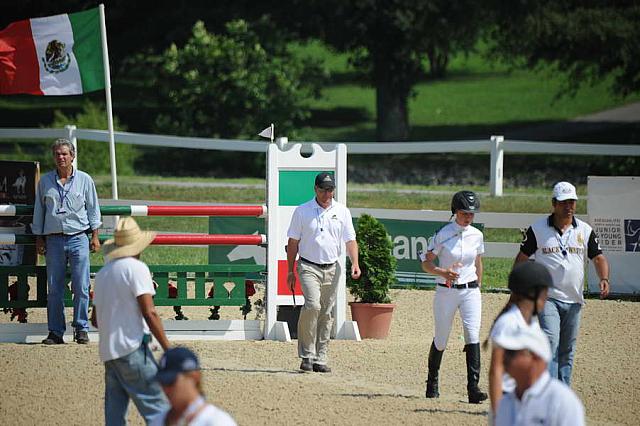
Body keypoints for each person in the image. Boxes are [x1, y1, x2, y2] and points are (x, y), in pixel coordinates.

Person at [515, 181, 610, 385]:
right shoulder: (537, 229)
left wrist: (603, 278)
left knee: (567, 350)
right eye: (564, 202)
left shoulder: (584, 230)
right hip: (547, 298)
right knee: (550, 342)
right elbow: (522, 257)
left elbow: (599, 257)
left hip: (574, 299)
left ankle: (562, 392)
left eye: (572, 202)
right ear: (554, 204)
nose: (569, 207)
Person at [92, 217, 171, 425]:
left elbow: (95, 320)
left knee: (115, 413)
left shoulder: (102, 275)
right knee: (159, 408)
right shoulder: (137, 269)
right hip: (133, 348)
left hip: (110, 353)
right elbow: (149, 312)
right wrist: (168, 349)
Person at [286, 172, 361, 373]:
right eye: (323, 189)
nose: (327, 193)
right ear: (315, 189)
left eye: (330, 189)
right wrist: (290, 269)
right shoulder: (302, 211)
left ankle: (321, 356)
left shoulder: (342, 211)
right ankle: (307, 354)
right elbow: (293, 242)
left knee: (326, 312)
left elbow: (350, 240)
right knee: (312, 305)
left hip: (332, 267)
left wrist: (355, 262)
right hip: (308, 266)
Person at [31, 138, 101, 345]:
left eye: (64, 154)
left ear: (73, 156)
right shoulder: (44, 181)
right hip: (53, 240)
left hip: (79, 237)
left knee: (81, 286)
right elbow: (39, 211)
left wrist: (95, 236)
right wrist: (39, 238)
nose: (61, 157)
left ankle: (81, 328)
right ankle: (55, 332)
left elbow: (93, 209)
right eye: (57, 154)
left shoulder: (85, 180)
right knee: (54, 288)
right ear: (53, 157)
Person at [420, 190, 487, 403]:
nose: (469, 217)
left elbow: (477, 262)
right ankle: (432, 383)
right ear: (455, 212)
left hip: (470, 291)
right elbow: (426, 262)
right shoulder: (442, 234)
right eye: (465, 213)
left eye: (472, 214)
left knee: (472, 333)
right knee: (441, 336)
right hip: (446, 291)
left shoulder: (477, 235)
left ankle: (473, 388)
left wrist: (478, 285)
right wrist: (443, 272)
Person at [486, 262, 552, 416]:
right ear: (531, 293)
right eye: (544, 293)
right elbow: (495, 371)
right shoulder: (509, 324)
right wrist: (498, 414)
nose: (547, 297)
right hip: (511, 403)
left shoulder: (532, 323)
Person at [493, 326, 585, 426]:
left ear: (535, 357)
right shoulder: (504, 404)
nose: (504, 358)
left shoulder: (563, 402)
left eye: (512, 353)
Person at [152, 347, 237, 426]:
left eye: (170, 382)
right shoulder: (158, 420)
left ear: (194, 377)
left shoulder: (217, 421)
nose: (165, 389)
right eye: (162, 382)